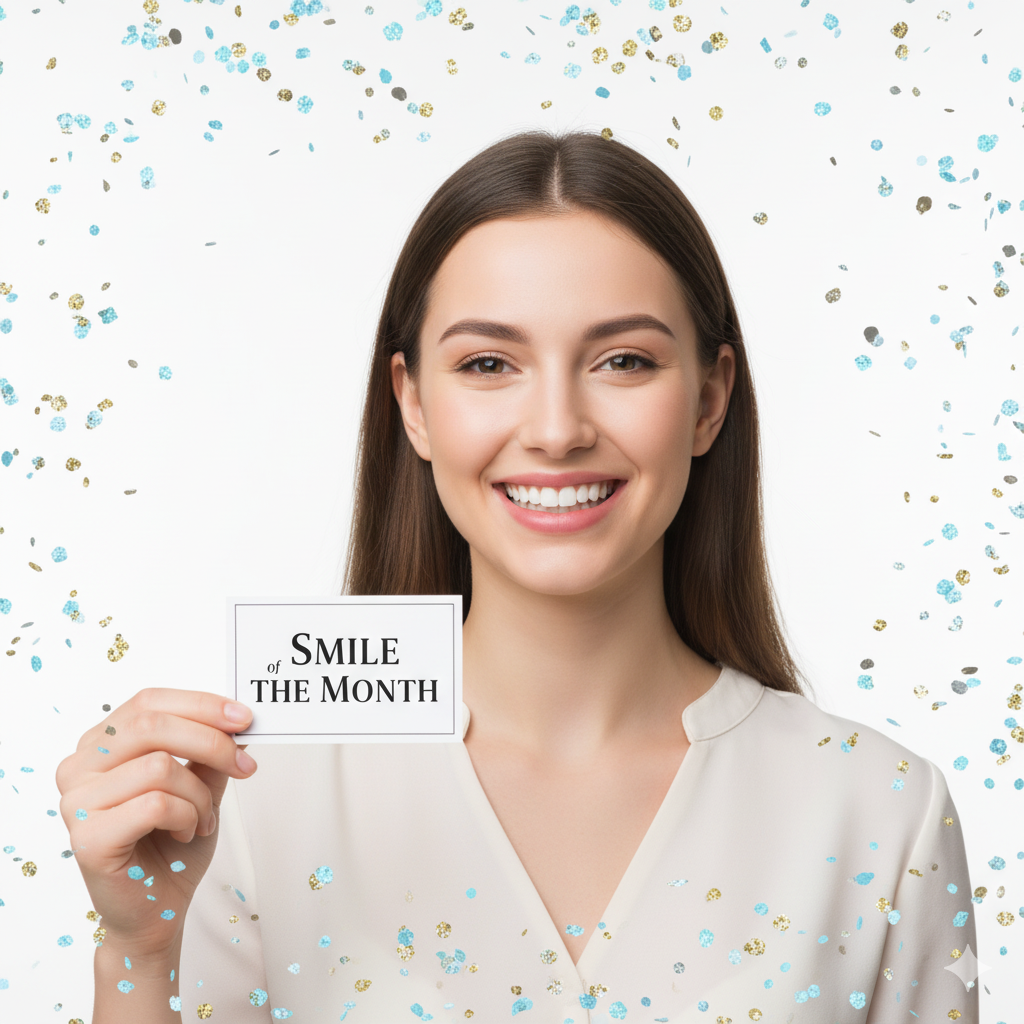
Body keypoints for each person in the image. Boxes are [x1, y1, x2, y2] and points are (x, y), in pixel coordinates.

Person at [57, 129, 978, 1024]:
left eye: (624, 361)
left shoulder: (880, 810)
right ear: (414, 405)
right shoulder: (251, 802)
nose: (556, 429)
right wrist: (139, 950)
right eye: (489, 364)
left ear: (709, 399)